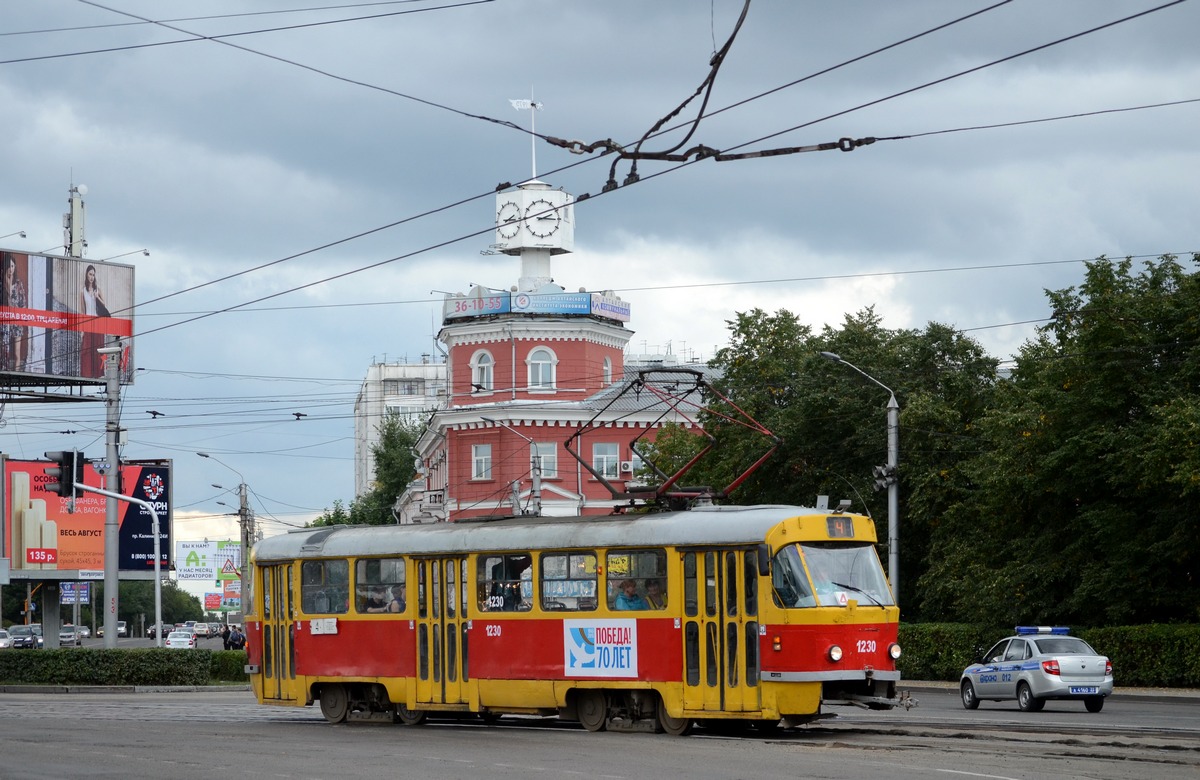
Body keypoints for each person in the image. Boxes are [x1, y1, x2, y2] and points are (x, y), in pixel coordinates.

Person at [79, 264, 107, 378]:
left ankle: (99, 374)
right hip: (88, 323)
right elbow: (82, 311)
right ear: (86, 275)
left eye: (93, 275)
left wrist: (97, 297)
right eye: (90, 274)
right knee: (86, 351)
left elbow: (104, 305)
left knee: (98, 349)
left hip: (98, 323)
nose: (92, 277)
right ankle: (86, 374)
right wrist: (82, 329)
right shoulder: (82, 291)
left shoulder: (98, 290)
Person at [1, 254, 28, 372]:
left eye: (13, 266)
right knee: (4, 352)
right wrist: (7, 285)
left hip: (17, 322)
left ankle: (16, 375)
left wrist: (23, 319)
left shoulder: (18, 284)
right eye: (9, 266)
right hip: (4, 322)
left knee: (17, 354)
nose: (11, 269)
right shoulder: (2, 284)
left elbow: (23, 302)